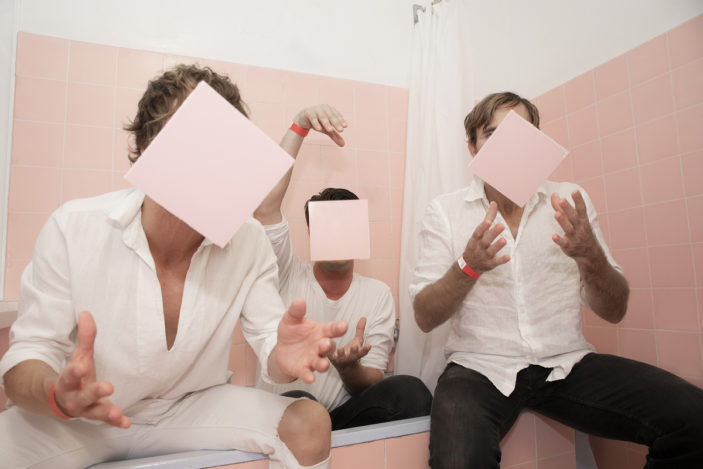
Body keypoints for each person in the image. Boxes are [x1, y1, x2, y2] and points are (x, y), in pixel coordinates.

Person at [0, 64, 350, 469]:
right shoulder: (74, 227)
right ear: (147, 148)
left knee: (309, 423)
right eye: (192, 138)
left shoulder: (249, 241)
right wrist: (57, 396)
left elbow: (272, 344)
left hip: (191, 407)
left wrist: (284, 357)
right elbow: (27, 357)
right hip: (82, 417)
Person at [410, 91, 703, 468]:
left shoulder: (569, 200)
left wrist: (590, 256)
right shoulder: (445, 211)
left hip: (567, 364)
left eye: (520, 133)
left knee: (694, 418)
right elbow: (424, 316)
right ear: (472, 148)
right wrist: (468, 266)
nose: (508, 145)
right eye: (493, 134)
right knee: (458, 461)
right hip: (479, 367)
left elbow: (614, 310)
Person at [253, 105, 432, 430]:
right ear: (312, 232)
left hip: (338, 419)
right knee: (301, 402)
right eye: (328, 225)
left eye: (347, 224)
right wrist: (300, 126)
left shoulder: (377, 294)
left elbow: (371, 381)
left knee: (413, 392)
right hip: (285, 416)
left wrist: (348, 367)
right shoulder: (286, 272)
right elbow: (265, 208)